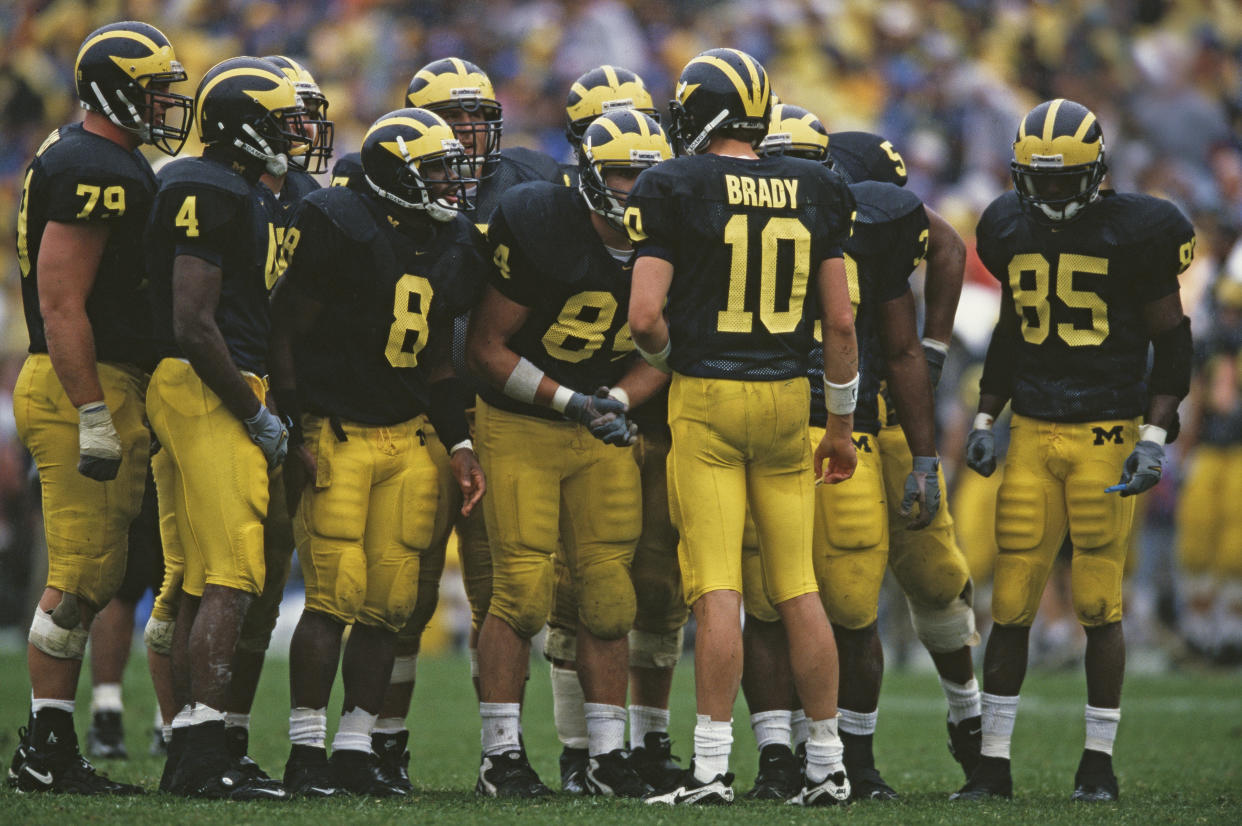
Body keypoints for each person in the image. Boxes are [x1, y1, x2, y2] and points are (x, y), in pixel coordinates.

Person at [627, 48, 857, 806]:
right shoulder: (819, 185)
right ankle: (827, 766)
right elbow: (842, 320)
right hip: (792, 397)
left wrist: (666, 356)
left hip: (709, 397)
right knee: (799, 588)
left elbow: (645, 316)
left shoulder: (676, 183)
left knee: (718, 590)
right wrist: (842, 424)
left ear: (709, 112)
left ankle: (712, 768)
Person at [328, 57, 563, 790]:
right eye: (453, 117)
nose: (468, 132)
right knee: (405, 590)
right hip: (410, 407)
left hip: (497, 409)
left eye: (479, 117)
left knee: (503, 590)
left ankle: (502, 750)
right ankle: (382, 741)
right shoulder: (367, 180)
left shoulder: (527, 181)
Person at [957, 98, 1195, 802]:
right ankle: (993, 765)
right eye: (1041, 178)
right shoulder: (1005, 222)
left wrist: (1154, 434)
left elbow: (1173, 340)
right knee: (1013, 599)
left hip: (1105, 431)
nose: (1052, 192)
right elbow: (1010, 330)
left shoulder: (1142, 230)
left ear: (1096, 173)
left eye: (1065, 179)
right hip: (1032, 429)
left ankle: (1098, 763)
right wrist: (982, 416)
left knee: (1097, 600)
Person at [738, 103, 969, 802]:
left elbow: (899, 346)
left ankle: (853, 760)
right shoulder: (721, 218)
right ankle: (778, 758)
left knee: (851, 604)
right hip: (761, 421)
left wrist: (924, 452)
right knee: (765, 602)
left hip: (847, 427)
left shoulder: (865, 225)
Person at [271, 107, 486, 797]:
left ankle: (356, 746)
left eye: (450, 169)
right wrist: (292, 423)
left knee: (391, 606)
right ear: (394, 174)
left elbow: (442, 367)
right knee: (335, 596)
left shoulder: (454, 244)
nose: (449, 184)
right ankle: (307, 749)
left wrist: (458, 441)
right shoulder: (340, 224)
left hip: (407, 432)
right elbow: (286, 331)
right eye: (433, 170)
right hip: (336, 429)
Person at [466, 108, 671, 798]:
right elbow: (487, 349)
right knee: (520, 593)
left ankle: (606, 759)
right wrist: (571, 401)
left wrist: (615, 401)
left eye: (649, 176)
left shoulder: (676, 237)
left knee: (612, 597)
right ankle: (501, 757)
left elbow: (667, 353)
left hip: (597, 422)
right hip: (522, 420)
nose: (636, 190)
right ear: (587, 176)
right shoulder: (541, 223)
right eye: (621, 173)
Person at [9, 20, 191, 795]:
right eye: (153, 89)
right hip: (83, 379)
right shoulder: (96, 166)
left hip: (99, 378)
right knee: (81, 572)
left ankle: (52, 744)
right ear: (117, 90)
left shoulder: (89, 153)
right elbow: (61, 302)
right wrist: (91, 408)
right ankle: (45, 748)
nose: (166, 102)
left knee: (102, 569)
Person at [144, 56, 308, 799]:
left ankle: (191, 751)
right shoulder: (205, 184)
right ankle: (206, 750)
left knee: (199, 575)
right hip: (209, 386)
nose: (300, 133)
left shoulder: (253, 192)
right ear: (245, 129)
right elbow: (191, 319)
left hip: (222, 385)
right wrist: (256, 412)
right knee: (231, 575)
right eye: (284, 120)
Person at [546, 65, 686, 796]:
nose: (631, 178)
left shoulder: (685, 208)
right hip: (573, 416)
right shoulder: (548, 213)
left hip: (661, 419)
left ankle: (649, 741)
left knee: (660, 588)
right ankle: (579, 748)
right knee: (578, 591)